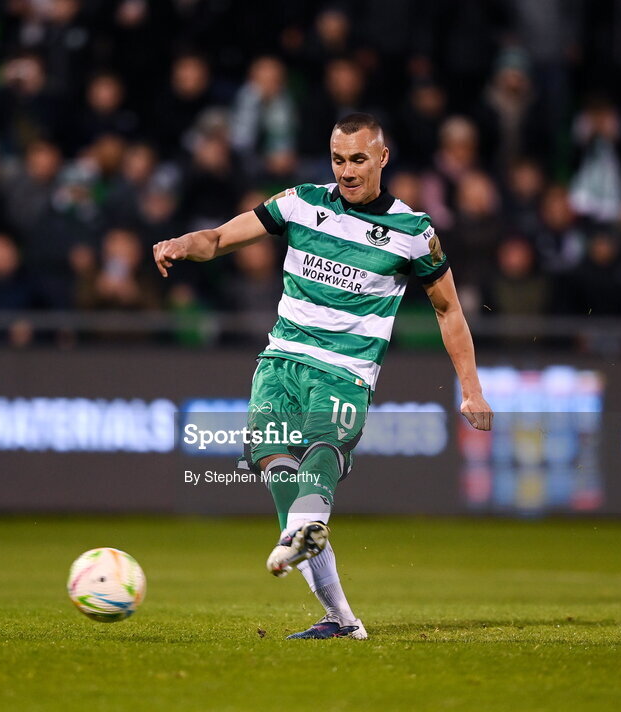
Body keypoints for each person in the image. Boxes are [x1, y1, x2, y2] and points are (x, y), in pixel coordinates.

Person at [153, 113, 493, 640]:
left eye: (359, 158)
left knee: (319, 453)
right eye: (339, 159)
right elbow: (220, 238)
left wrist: (471, 389)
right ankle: (339, 614)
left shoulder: (413, 232)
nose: (347, 170)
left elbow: (448, 310)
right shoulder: (300, 202)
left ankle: (310, 537)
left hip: (344, 371)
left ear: (382, 157)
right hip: (281, 361)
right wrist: (181, 243)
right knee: (270, 458)